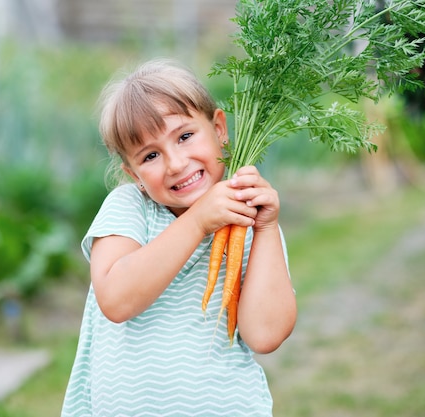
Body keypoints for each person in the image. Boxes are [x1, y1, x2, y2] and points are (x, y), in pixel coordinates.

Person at [61, 58, 297, 417]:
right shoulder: (130, 207)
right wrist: (198, 221)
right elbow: (117, 300)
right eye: (151, 155)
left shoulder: (251, 222)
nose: (175, 163)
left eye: (185, 136)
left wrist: (265, 229)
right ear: (133, 173)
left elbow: (265, 335)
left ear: (219, 128)